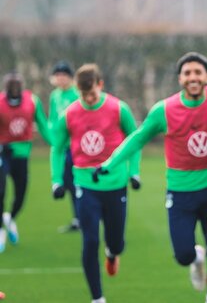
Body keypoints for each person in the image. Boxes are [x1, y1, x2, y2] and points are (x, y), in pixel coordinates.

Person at [95, 52, 207, 303]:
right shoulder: (164, 110)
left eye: (198, 72)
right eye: (187, 73)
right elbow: (137, 138)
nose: (193, 77)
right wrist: (109, 163)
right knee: (183, 254)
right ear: (180, 79)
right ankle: (196, 258)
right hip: (180, 193)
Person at [50, 64, 141, 303]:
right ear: (78, 90)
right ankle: (97, 297)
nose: (88, 99)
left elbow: (135, 140)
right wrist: (56, 180)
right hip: (85, 185)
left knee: (116, 242)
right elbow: (57, 149)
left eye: (92, 94)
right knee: (89, 240)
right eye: (83, 95)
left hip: (115, 183)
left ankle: (112, 253)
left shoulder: (118, 109)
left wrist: (135, 173)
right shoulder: (69, 114)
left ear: (100, 85)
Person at [0, 73, 52, 253]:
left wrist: (57, 145)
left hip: (22, 155)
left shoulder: (32, 102)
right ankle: (0, 229)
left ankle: (10, 217)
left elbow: (44, 127)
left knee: (21, 194)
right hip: (3, 153)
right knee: (1, 190)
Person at [48, 60, 81, 233]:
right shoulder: (55, 95)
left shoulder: (77, 94)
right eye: (58, 76)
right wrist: (53, 137)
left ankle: (85, 216)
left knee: (79, 181)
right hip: (63, 146)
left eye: (64, 76)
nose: (61, 79)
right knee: (68, 182)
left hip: (77, 146)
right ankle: (78, 218)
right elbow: (53, 119)